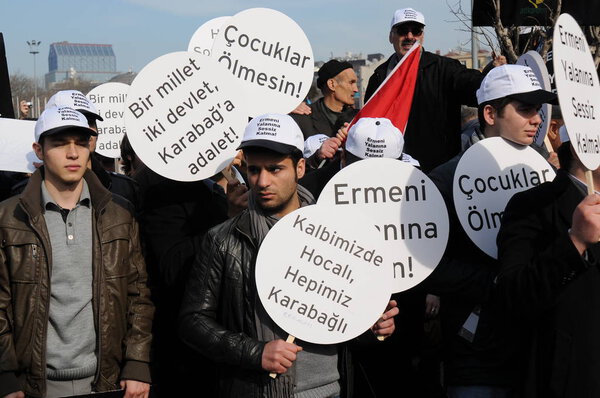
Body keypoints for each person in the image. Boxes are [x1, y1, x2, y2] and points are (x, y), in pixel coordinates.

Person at [178, 113, 398, 397]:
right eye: (254, 170)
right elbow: (193, 321)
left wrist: (372, 324)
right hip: (260, 390)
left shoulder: (337, 231)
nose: (262, 181)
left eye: (275, 169)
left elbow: (341, 315)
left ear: (300, 168)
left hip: (331, 388)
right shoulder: (223, 240)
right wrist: (255, 353)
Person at [0, 106, 153, 398]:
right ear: (39, 150)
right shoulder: (8, 218)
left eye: (81, 143)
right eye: (59, 143)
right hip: (33, 386)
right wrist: (5, 375)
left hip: (107, 381)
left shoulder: (119, 214)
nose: (73, 153)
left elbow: (138, 295)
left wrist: (137, 362)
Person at [426, 64, 557, 397]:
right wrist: (498, 283)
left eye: (538, 110)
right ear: (489, 112)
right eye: (525, 109)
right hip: (478, 356)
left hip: (539, 350)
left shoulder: (548, 176)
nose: (537, 120)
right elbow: (427, 265)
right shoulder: (444, 180)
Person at [495, 124, 600, 397]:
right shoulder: (534, 205)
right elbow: (513, 296)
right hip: (567, 380)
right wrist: (575, 241)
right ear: (581, 148)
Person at [365, 7, 505, 172]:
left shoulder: (444, 68)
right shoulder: (379, 77)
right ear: (391, 36)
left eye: (416, 31)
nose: (409, 36)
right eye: (403, 30)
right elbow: (367, 123)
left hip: (437, 171)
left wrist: (495, 78)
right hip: (393, 171)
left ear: (422, 36)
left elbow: (472, 85)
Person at [291, 59, 359, 141]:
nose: (356, 89)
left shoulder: (359, 119)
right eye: (351, 82)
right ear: (332, 84)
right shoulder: (302, 119)